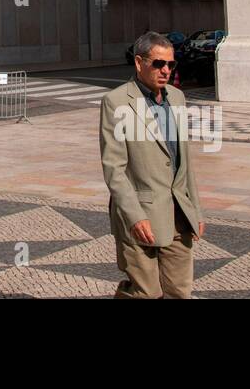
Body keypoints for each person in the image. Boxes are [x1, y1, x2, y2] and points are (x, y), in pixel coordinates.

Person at [99, 30, 206, 299]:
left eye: (171, 64)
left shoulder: (177, 98)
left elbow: (184, 162)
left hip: (178, 214)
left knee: (179, 291)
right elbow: (115, 168)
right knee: (144, 292)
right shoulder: (116, 102)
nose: (165, 70)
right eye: (158, 63)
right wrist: (135, 216)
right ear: (139, 63)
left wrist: (195, 209)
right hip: (141, 215)